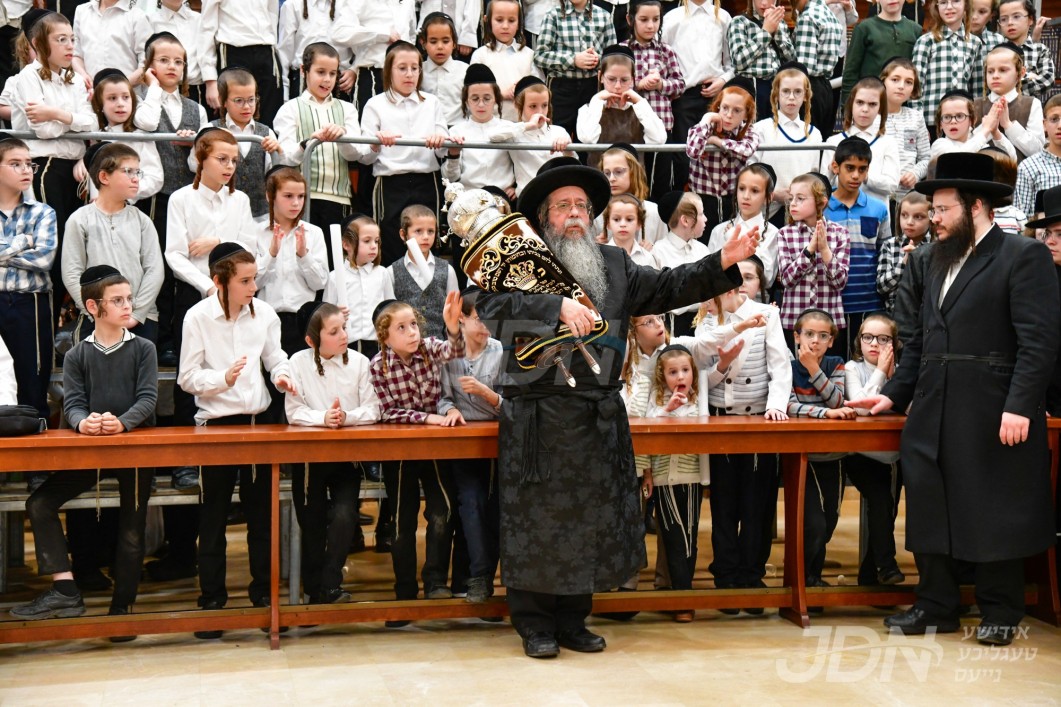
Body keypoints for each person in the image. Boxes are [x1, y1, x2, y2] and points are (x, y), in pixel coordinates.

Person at [474, 157, 757, 658]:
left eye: (582, 206)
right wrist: (554, 306)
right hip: (538, 417)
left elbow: (669, 287)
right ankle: (535, 624)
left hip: (596, 414)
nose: (574, 214)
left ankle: (573, 619)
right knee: (535, 522)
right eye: (562, 206)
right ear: (543, 217)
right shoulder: (516, 260)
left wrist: (722, 261)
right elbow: (489, 309)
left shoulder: (613, 263)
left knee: (588, 519)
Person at [850, 152, 1060, 647]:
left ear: (977, 207)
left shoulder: (1021, 256)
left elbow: (1039, 343)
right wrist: (892, 396)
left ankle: (1001, 609)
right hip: (932, 405)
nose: (935, 219)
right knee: (930, 505)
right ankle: (936, 604)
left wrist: (1019, 405)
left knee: (992, 507)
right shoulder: (928, 259)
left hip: (992, 406)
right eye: (933, 210)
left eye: (943, 210)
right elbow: (919, 341)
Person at [10, 265, 156, 639]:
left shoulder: (144, 348)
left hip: (135, 452)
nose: (128, 306)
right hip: (92, 452)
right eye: (117, 300)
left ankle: (122, 608)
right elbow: (73, 403)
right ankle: (64, 588)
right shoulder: (78, 354)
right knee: (39, 503)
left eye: (128, 298)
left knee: (131, 528)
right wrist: (82, 423)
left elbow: (147, 399)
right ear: (93, 307)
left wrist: (122, 423)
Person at [178, 243, 294, 640]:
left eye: (254, 278)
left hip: (259, 424)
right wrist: (222, 379)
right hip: (216, 428)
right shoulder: (197, 317)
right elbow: (187, 377)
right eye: (245, 281)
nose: (253, 287)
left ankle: (264, 595)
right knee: (213, 517)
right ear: (219, 282)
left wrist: (282, 376)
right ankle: (212, 600)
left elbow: (275, 357)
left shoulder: (265, 314)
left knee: (262, 515)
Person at [369, 295, 465, 616]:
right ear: (385, 336)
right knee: (401, 520)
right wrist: (425, 418)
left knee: (443, 510)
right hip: (399, 450)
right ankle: (405, 590)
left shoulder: (429, 348)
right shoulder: (378, 366)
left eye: (413, 324)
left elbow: (456, 351)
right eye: (401, 328)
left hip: (434, 447)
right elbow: (386, 411)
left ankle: (435, 581)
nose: (412, 332)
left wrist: (453, 329)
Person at [285, 302, 381, 604]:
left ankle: (329, 582)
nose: (344, 336)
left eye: (344, 328)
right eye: (334, 331)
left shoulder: (360, 362)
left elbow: (373, 408)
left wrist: (346, 417)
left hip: (346, 456)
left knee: (344, 515)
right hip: (308, 456)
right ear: (312, 340)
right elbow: (294, 412)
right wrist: (323, 417)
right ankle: (315, 592)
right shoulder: (297, 362)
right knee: (311, 522)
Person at [438, 289, 505, 605]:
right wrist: (450, 408)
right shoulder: (448, 353)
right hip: (462, 443)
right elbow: (441, 397)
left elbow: (512, 404)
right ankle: (478, 577)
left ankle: (490, 578)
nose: (486, 325)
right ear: (462, 318)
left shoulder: (501, 351)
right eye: (480, 318)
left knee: (498, 510)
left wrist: (487, 394)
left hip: (499, 443)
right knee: (471, 503)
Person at [61, 142, 163, 344]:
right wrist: (97, 311)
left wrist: (136, 314)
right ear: (104, 177)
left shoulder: (142, 221)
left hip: (140, 319)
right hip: (96, 319)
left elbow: (155, 270)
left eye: (137, 172)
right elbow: (72, 272)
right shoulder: (79, 219)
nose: (136, 178)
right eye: (128, 171)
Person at [786, 308, 855, 601]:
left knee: (829, 521)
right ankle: (806, 581)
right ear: (796, 337)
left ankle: (813, 576)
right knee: (813, 524)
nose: (815, 341)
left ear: (831, 341)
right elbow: (788, 406)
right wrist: (825, 413)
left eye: (823, 336)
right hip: (803, 456)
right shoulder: (788, 367)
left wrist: (815, 370)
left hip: (834, 456)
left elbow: (839, 400)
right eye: (809, 334)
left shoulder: (836, 363)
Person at [844, 312, 904, 586]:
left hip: (894, 455)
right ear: (859, 340)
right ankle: (886, 567)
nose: (874, 344)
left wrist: (895, 378)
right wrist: (880, 372)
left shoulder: (902, 371)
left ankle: (871, 575)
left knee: (887, 510)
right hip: (860, 454)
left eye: (883, 339)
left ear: (894, 343)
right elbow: (862, 408)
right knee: (881, 501)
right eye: (868, 337)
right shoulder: (852, 368)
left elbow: (912, 407)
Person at [824, 136, 890, 357]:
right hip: (830, 302)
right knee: (834, 364)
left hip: (869, 302)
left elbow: (884, 254)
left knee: (866, 364)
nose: (855, 175)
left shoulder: (879, 209)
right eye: (850, 168)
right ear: (836, 167)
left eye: (862, 169)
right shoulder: (821, 208)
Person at [470, 0, 542, 122]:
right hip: (490, 124)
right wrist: (501, 94)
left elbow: (539, 89)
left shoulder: (529, 55)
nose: (505, 26)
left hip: (523, 125)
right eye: (499, 20)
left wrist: (524, 88)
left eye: (511, 20)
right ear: (487, 20)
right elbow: (473, 90)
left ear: (519, 23)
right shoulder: (480, 55)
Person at [791, 0, 843, 138]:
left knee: (806, 139)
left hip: (808, 86)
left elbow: (804, 67)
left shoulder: (808, 17)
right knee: (822, 138)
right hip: (826, 88)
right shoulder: (830, 16)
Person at [1014, 95, 1061, 217]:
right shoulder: (1028, 167)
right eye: (1054, 119)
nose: (1060, 125)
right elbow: (1020, 218)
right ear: (1044, 124)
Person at [420, 12, 467, 128]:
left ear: (454, 43)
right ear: (423, 43)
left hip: (458, 131)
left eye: (445, 41)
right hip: (426, 131)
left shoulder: (465, 71)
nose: (440, 47)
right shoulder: (417, 71)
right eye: (433, 41)